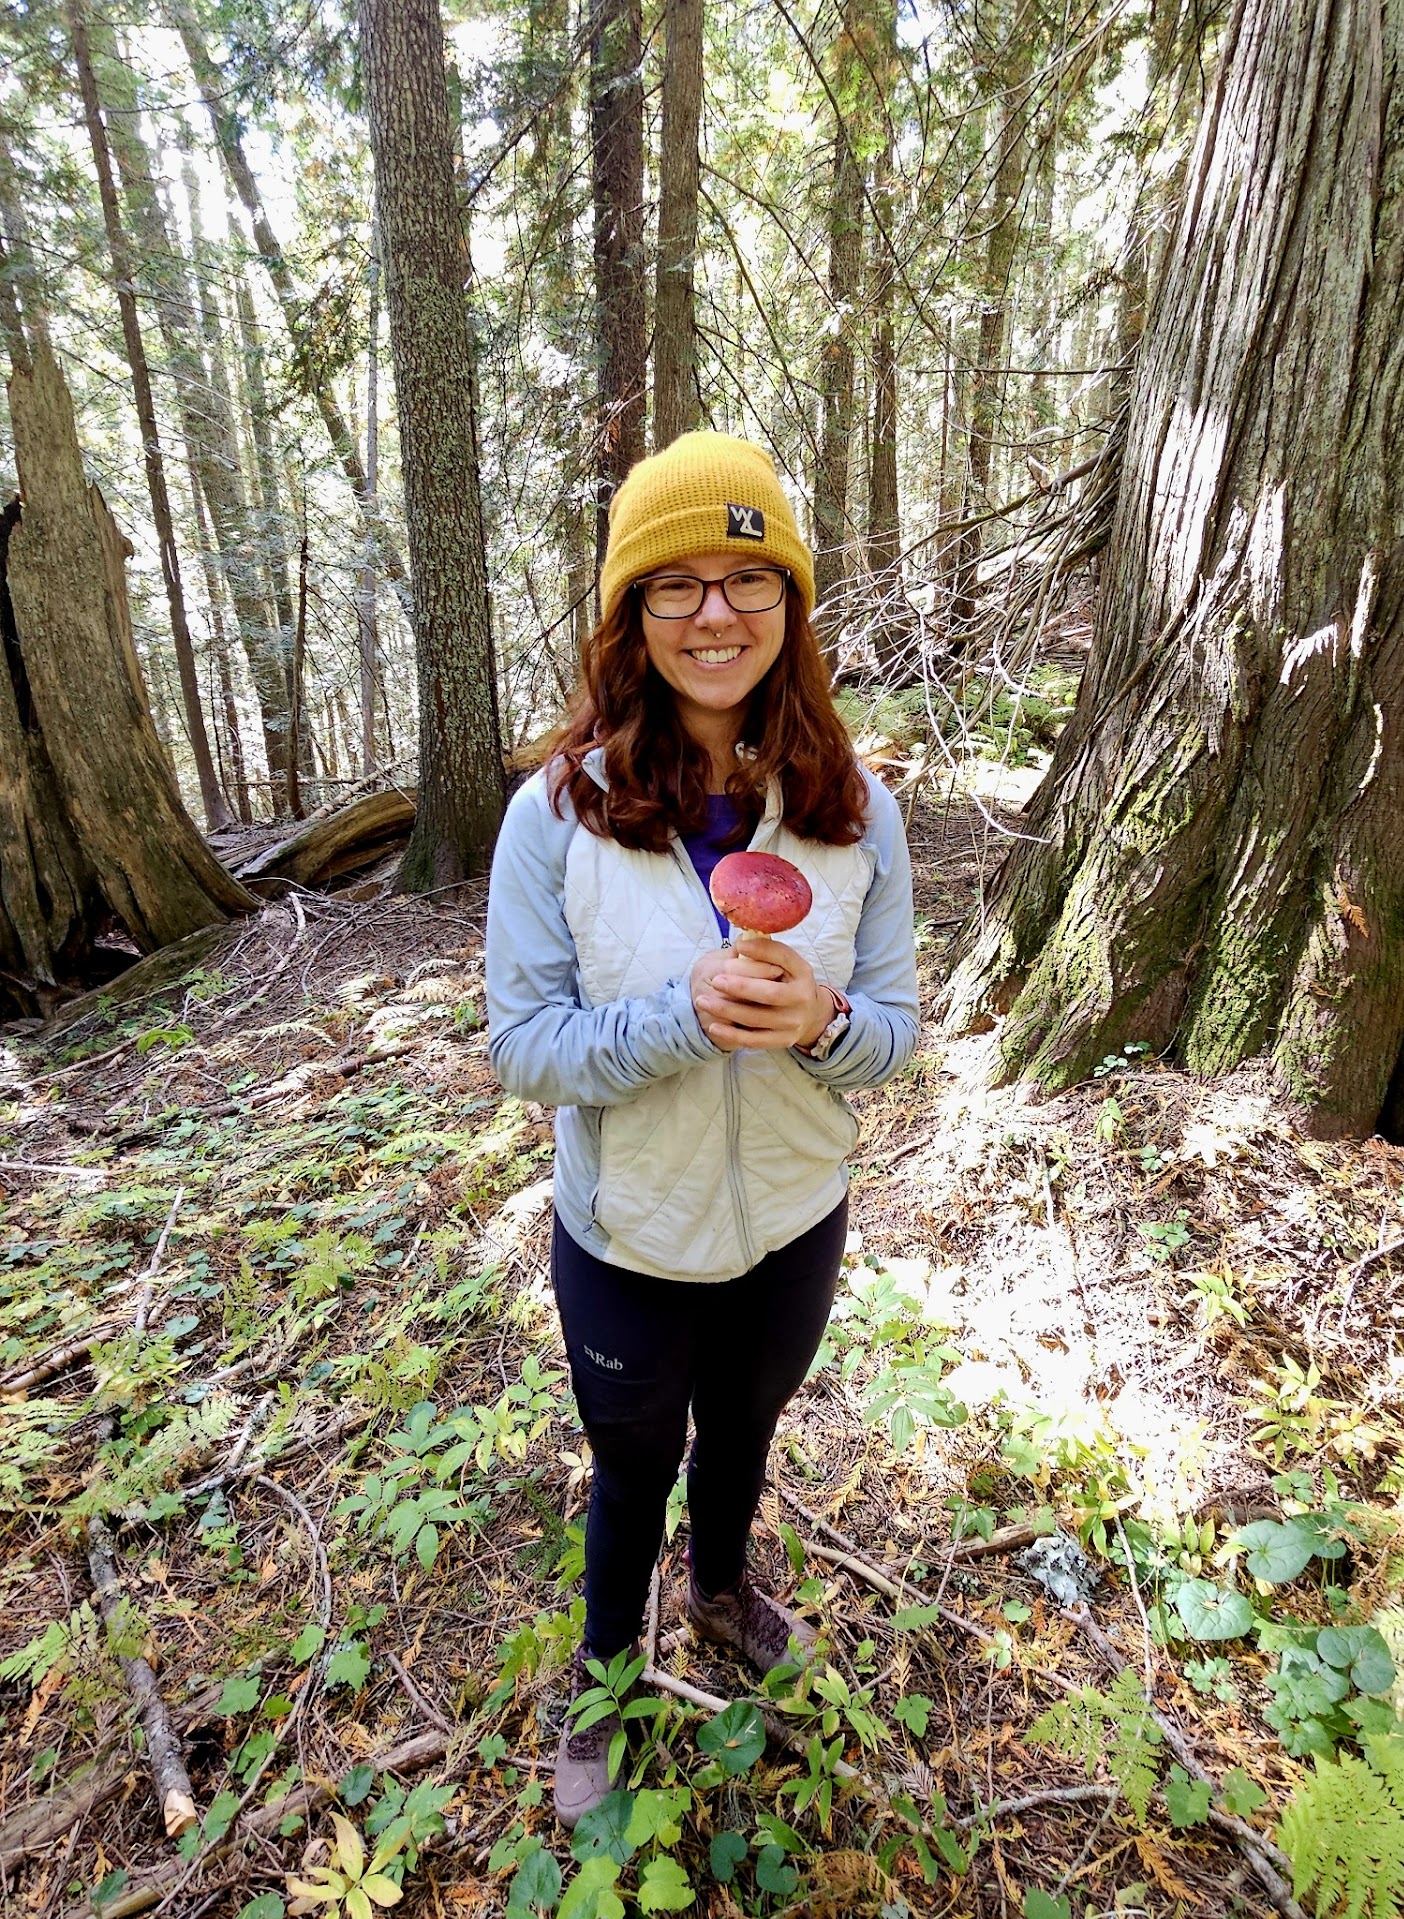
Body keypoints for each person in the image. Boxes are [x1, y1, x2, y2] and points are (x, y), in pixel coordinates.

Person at [485, 432, 919, 1826]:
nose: (714, 614)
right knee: (632, 1468)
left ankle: (721, 1594)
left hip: (793, 1221)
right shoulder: (555, 816)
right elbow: (522, 1048)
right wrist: (682, 1017)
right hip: (631, 1234)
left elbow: (898, 1035)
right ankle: (606, 1680)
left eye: (748, 579)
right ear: (631, 614)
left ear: (790, 604)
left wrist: (824, 1021)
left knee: (742, 1433)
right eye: (675, 585)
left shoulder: (855, 813)